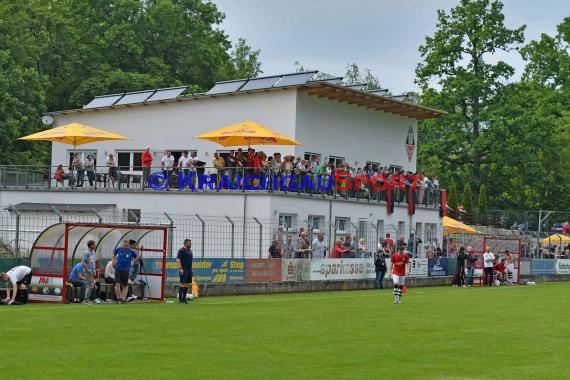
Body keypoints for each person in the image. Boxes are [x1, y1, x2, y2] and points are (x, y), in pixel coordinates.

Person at [176, 239, 193, 304]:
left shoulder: (189, 250)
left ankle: (184, 299)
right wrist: (180, 268)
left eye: (190, 243)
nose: (190, 244)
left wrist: (191, 269)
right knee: (182, 283)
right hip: (184, 268)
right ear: (185, 244)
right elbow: (178, 260)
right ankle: (180, 300)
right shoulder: (181, 250)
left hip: (189, 269)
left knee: (187, 284)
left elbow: (190, 260)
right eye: (189, 243)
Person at [82, 240, 97, 304]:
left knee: (91, 285)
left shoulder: (93, 252)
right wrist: (88, 269)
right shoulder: (86, 252)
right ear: (90, 245)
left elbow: (93, 261)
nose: (95, 245)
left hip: (92, 271)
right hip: (87, 271)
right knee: (90, 285)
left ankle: (87, 300)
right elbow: (83, 262)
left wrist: (94, 270)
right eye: (94, 244)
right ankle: (86, 300)